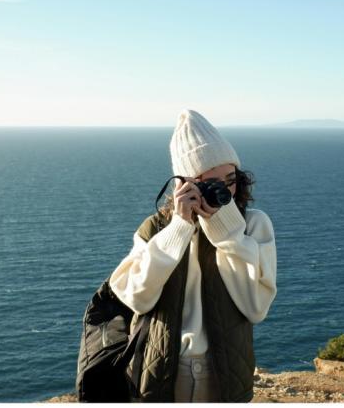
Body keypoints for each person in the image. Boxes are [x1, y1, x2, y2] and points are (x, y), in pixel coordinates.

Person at [108, 109, 277, 402]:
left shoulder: (253, 226)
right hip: (161, 372)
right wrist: (178, 230)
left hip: (224, 372)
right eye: (212, 182)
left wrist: (228, 235)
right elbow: (136, 297)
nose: (224, 191)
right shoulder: (156, 228)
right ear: (183, 184)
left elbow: (256, 307)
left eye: (230, 178)